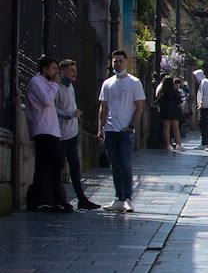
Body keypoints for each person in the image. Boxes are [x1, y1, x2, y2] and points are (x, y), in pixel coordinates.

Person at [97, 50, 145, 213]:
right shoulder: (107, 83)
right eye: (115, 61)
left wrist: (131, 126)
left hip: (125, 131)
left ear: (126, 63)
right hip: (110, 130)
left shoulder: (134, 82)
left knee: (125, 164)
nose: (117, 63)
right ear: (111, 63)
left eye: (120, 61)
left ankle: (128, 198)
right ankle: (119, 197)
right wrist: (101, 128)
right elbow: (103, 107)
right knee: (115, 165)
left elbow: (139, 106)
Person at [26, 55, 68, 212]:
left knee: (55, 165)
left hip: (51, 130)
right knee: (46, 166)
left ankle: (51, 199)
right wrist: (55, 85)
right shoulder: (36, 82)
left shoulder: (48, 83)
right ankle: (43, 200)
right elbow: (46, 101)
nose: (56, 72)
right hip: (42, 130)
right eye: (53, 69)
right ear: (45, 69)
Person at [55, 60, 99, 210]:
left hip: (73, 132)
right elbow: (54, 111)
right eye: (71, 70)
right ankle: (59, 199)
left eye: (75, 70)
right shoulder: (56, 88)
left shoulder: (70, 86)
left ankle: (81, 198)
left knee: (75, 167)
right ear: (62, 71)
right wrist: (69, 115)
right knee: (59, 167)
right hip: (61, 134)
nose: (75, 73)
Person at [155, 75, 183, 153]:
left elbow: (157, 101)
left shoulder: (162, 91)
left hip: (164, 111)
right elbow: (179, 102)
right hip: (174, 111)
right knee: (175, 128)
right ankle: (178, 144)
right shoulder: (174, 91)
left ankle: (168, 145)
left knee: (166, 128)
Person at [194, 68, 208, 149]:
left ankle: (204, 143)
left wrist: (201, 105)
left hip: (204, 107)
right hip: (204, 106)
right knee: (203, 125)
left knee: (203, 124)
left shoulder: (204, 82)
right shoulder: (204, 82)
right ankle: (205, 142)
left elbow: (206, 95)